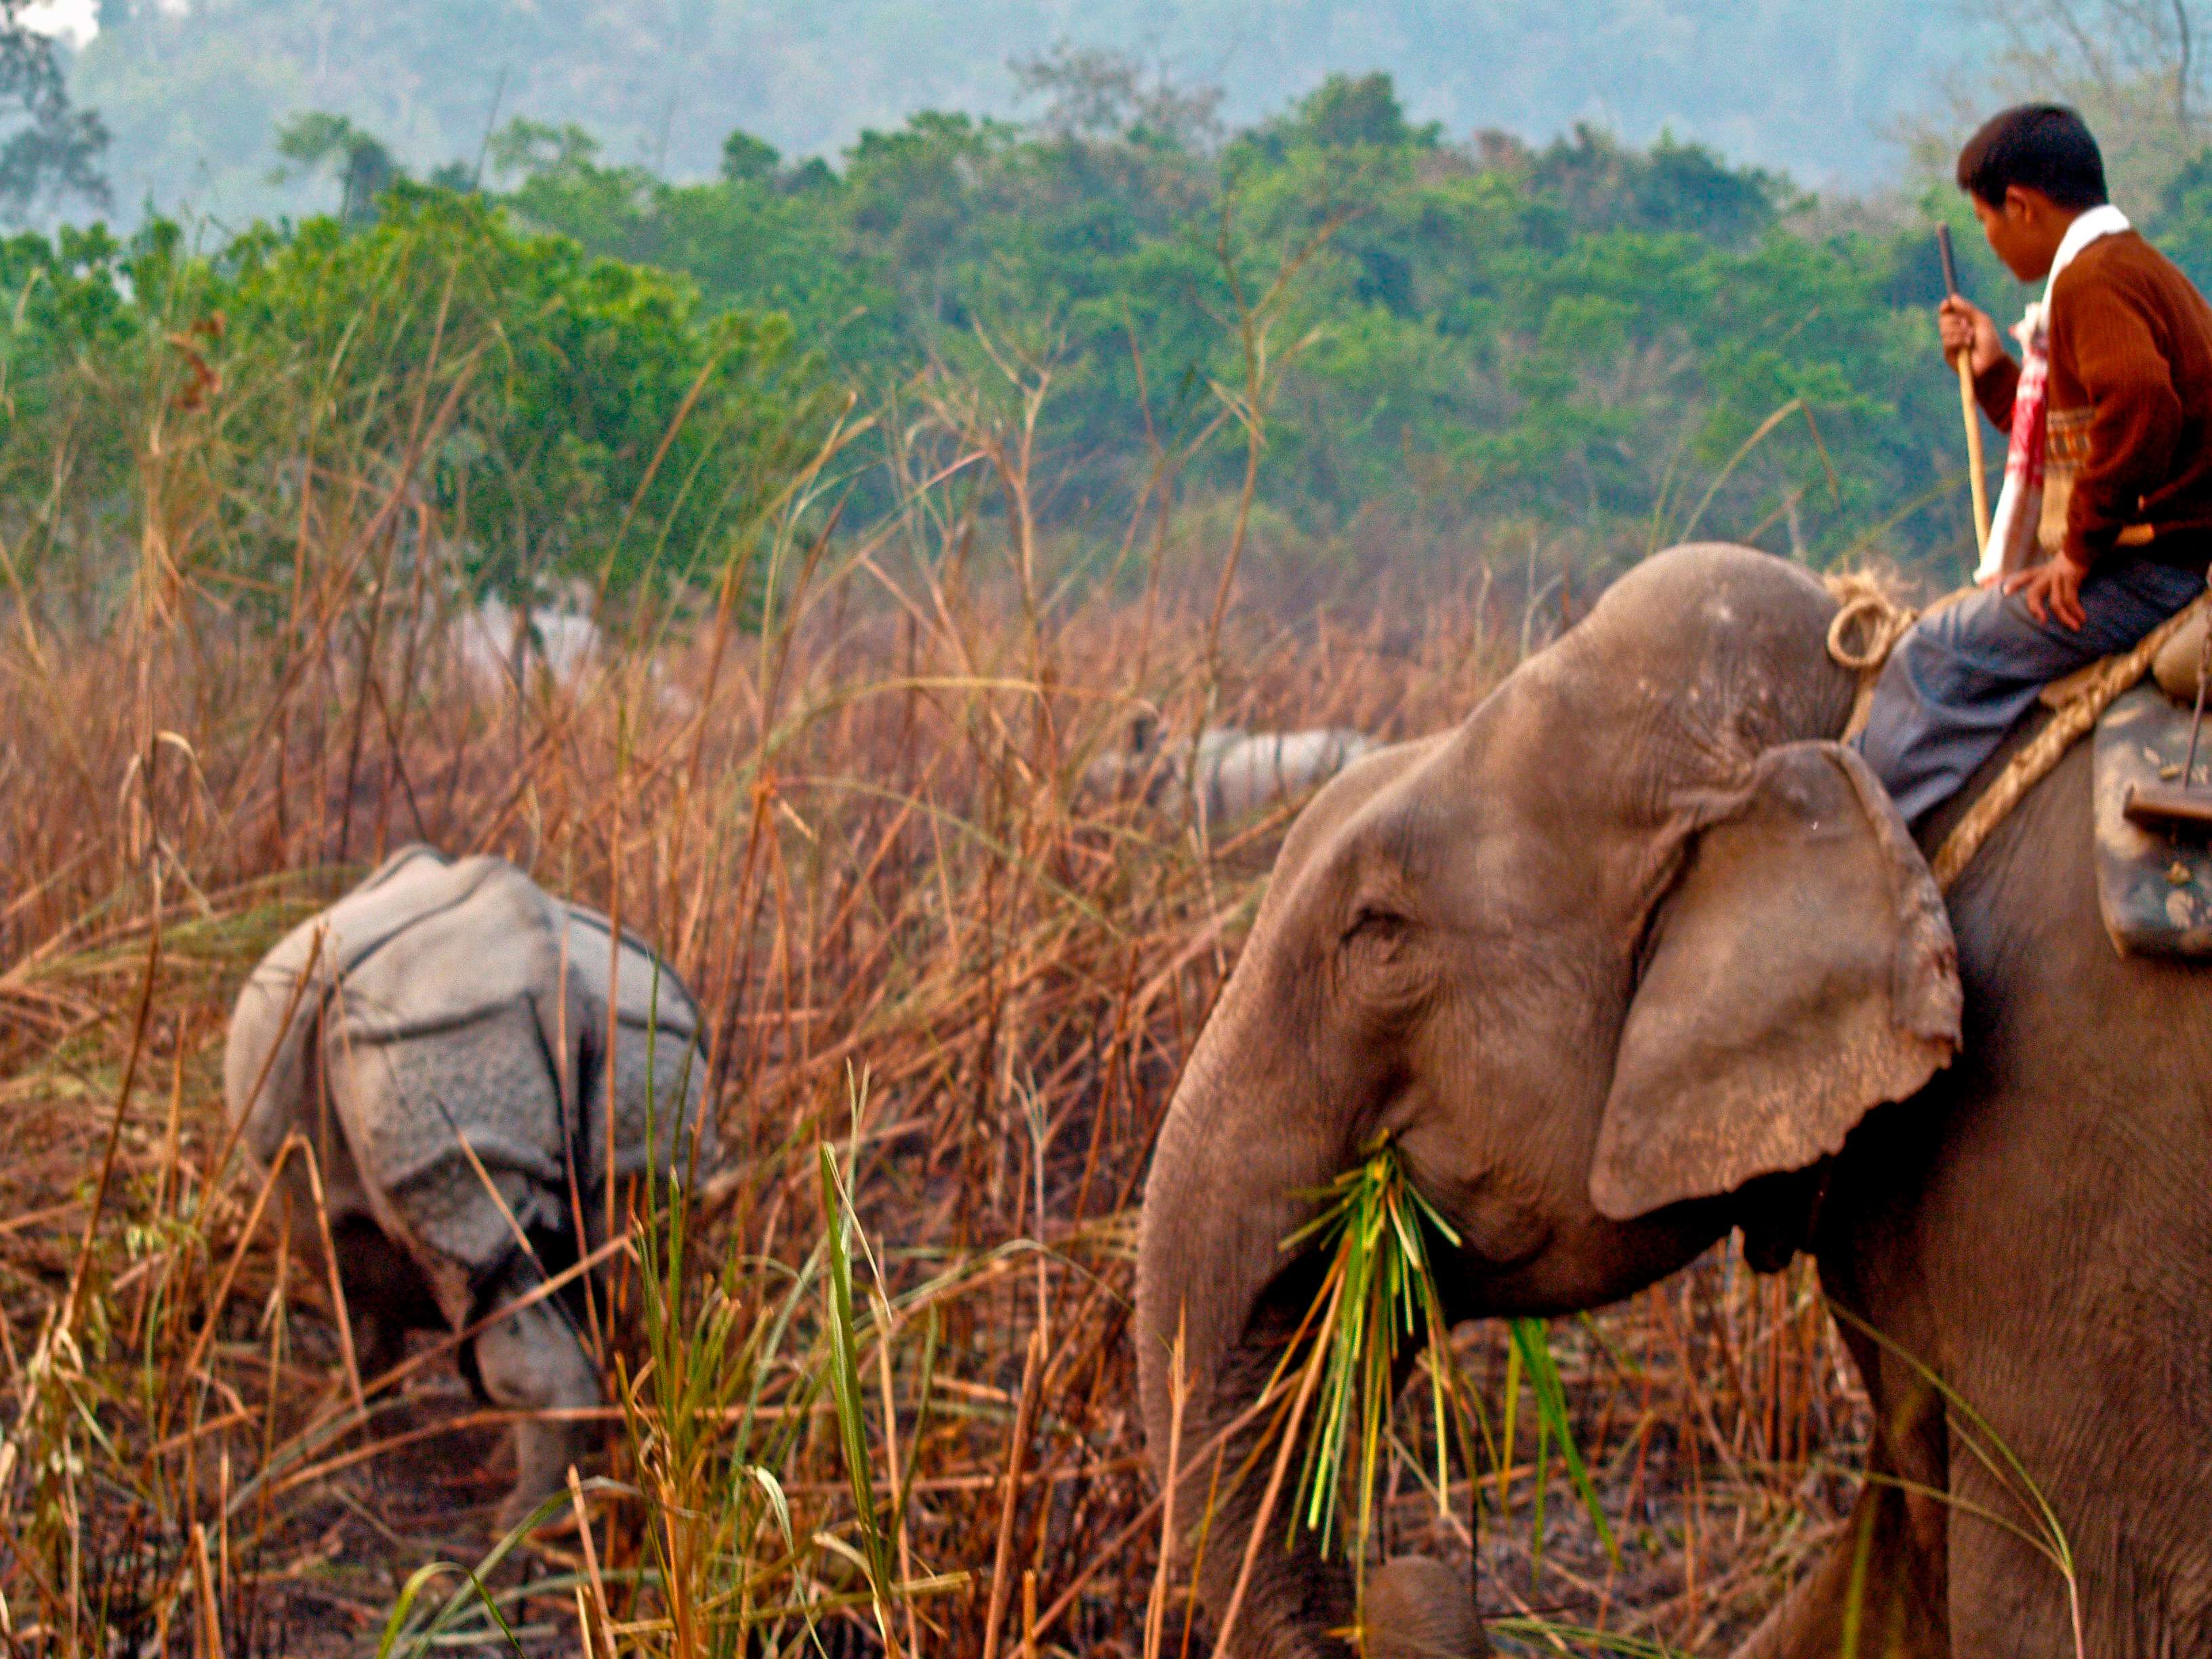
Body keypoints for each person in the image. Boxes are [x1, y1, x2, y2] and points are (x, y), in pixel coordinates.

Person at [1855, 104, 2212, 830]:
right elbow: (2092, 435)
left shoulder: (2091, 282)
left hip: (2157, 572)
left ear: (2020, 206)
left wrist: (2077, 554)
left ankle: (1865, 844)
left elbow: (2142, 404)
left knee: (1934, 653)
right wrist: (1995, 375)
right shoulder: (2131, 267)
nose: (1988, 242)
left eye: (1986, 220)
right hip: (2168, 560)